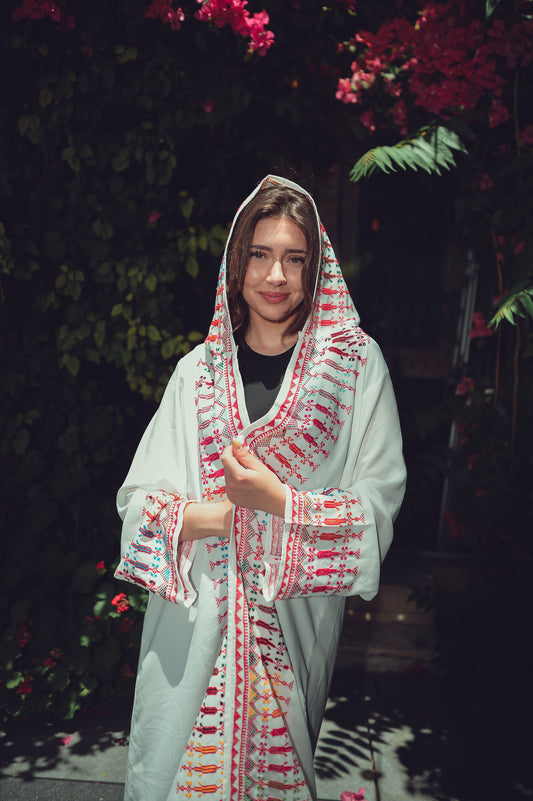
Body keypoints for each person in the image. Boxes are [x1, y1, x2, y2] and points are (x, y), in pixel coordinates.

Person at [115, 175, 406, 801]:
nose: (277, 276)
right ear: (236, 262)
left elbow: (377, 509)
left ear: (317, 267)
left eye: (295, 258)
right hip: (190, 635)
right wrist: (227, 516)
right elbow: (137, 506)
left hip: (291, 629)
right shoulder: (199, 372)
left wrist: (279, 504)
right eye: (260, 254)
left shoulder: (352, 368)